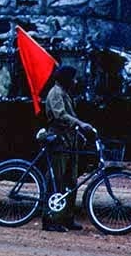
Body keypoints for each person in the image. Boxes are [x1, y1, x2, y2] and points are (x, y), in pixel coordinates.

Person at [40, 65, 96, 232]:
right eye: (73, 78)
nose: (75, 81)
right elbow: (60, 115)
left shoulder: (64, 93)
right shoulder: (55, 93)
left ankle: (66, 217)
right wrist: (81, 124)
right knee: (56, 180)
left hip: (70, 140)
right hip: (59, 139)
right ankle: (50, 218)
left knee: (70, 180)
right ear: (66, 79)